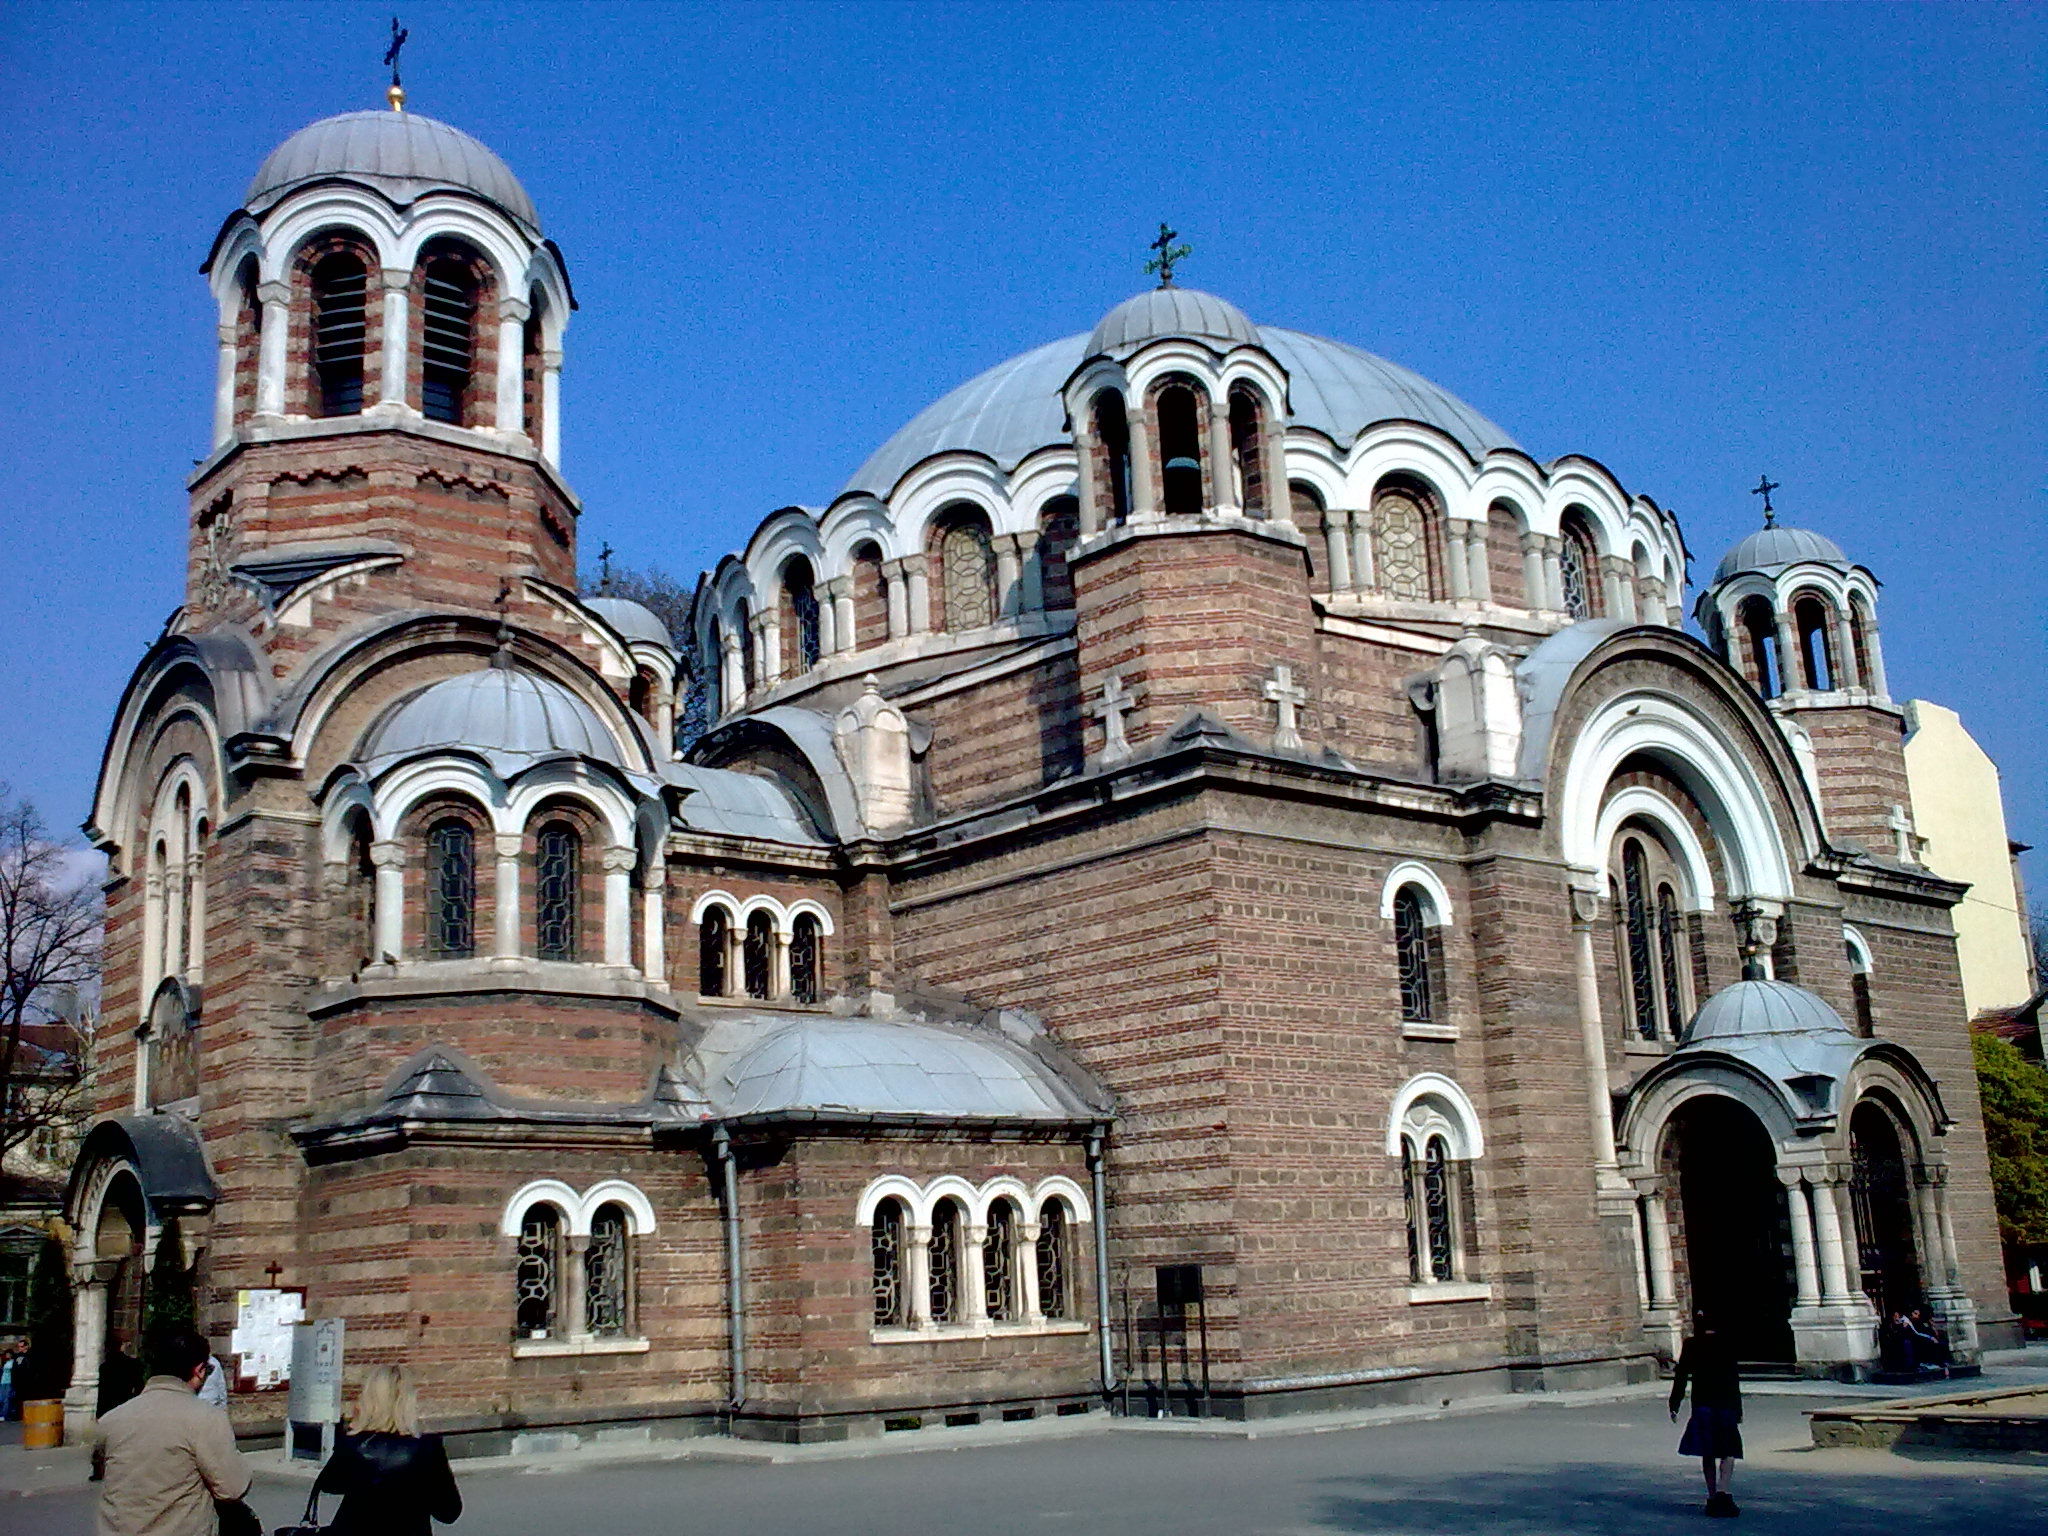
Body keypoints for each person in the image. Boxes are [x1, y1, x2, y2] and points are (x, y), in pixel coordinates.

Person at [90, 1326, 253, 1536]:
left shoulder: (112, 1420)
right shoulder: (205, 1418)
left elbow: (103, 1469)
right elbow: (232, 1487)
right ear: (199, 1370)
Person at [310, 1365, 461, 1536]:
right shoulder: (427, 1448)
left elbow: (331, 1485)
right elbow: (449, 1512)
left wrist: (354, 1430)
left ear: (368, 1400)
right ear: (408, 1402)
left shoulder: (354, 1444)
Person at [1669, 1310, 1743, 1518]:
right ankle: (1724, 1490)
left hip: (1702, 1403)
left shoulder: (1692, 1345)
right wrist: (1738, 1408)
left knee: (1707, 1451)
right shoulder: (1726, 1343)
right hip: (1725, 1403)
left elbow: (1681, 1375)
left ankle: (1712, 1495)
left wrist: (1675, 1403)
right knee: (1729, 1449)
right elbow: (1733, 1378)